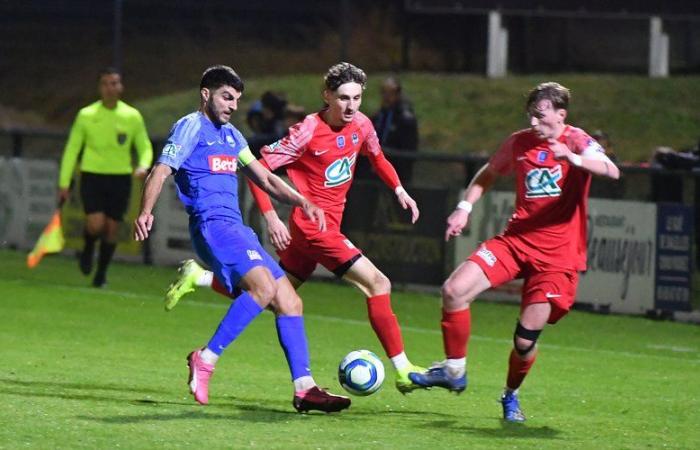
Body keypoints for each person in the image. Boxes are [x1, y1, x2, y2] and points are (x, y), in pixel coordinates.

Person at [164, 62, 426, 394]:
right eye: (343, 98)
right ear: (327, 96)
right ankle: (403, 370)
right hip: (313, 228)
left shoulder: (362, 123)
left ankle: (200, 278)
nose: (351, 106)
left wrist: (400, 190)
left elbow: (377, 157)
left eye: (357, 98)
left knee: (273, 295)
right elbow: (260, 170)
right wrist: (271, 216)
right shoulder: (307, 131)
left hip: (323, 227)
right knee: (378, 283)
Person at [133, 65, 350, 413]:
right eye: (226, 96)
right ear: (206, 95)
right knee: (262, 287)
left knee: (290, 301)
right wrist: (146, 211)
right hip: (212, 225)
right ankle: (205, 359)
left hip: (236, 228)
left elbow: (265, 178)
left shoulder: (233, 136)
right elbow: (161, 169)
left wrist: (301, 200)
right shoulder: (192, 126)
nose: (233, 105)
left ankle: (304, 388)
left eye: (237, 99)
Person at [408, 82, 620, 422]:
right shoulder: (519, 142)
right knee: (454, 290)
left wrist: (575, 158)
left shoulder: (577, 140)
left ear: (561, 114)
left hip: (557, 257)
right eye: (530, 116)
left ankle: (510, 395)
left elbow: (610, 169)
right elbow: (488, 173)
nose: (534, 123)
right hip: (517, 241)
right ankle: (454, 370)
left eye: (541, 116)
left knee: (524, 342)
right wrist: (464, 207)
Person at [58, 67, 153, 287]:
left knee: (111, 229)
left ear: (121, 87)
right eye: (106, 83)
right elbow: (72, 149)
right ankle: (88, 246)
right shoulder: (87, 115)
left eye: (115, 83)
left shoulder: (131, 116)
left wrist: (143, 165)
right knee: (95, 224)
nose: (110, 88)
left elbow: (145, 146)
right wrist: (64, 182)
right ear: (100, 87)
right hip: (92, 176)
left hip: (120, 179)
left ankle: (101, 274)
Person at [356, 76, 418, 183]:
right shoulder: (380, 115)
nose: (386, 97)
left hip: (396, 169)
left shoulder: (404, 118)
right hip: (375, 166)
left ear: (398, 94)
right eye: (384, 92)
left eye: (391, 93)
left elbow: (408, 147)